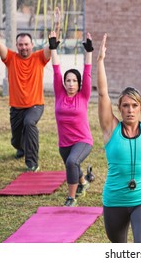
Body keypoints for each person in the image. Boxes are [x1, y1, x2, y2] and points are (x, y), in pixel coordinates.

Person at [97, 33, 141, 243]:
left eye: (134, 105)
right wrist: (100, 61)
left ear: (140, 108)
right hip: (114, 200)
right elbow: (102, 94)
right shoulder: (111, 129)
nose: (130, 110)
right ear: (119, 108)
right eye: (125, 106)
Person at [0, 3, 60, 172]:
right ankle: (20, 147)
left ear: (32, 45)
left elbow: (52, 44)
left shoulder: (39, 58)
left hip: (35, 105)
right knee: (16, 139)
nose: (23, 47)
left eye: (26, 44)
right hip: (16, 108)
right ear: (17, 46)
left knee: (30, 124)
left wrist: (57, 24)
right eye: (20, 45)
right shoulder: (11, 58)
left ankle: (32, 162)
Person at [48, 31, 94, 207]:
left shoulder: (83, 95)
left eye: (74, 81)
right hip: (64, 142)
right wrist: (53, 48)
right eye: (68, 80)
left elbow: (88, 72)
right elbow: (56, 70)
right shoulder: (60, 94)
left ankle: (71, 198)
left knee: (72, 161)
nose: (71, 84)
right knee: (71, 165)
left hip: (83, 140)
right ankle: (83, 182)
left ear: (79, 83)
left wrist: (89, 51)